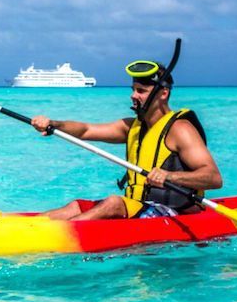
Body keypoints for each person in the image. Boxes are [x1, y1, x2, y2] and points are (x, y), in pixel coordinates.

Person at [31, 40, 222, 220]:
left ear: (163, 94)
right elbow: (85, 130)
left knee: (113, 203)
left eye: (141, 91)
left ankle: (59, 235)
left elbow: (213, 178)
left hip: (174, 213)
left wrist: (169, 176)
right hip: (138, 206)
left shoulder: (180, 129)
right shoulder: (132, 127)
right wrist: (54, 124)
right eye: (133, 89)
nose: (133, 95)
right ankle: (22, 226)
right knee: (76, 206)